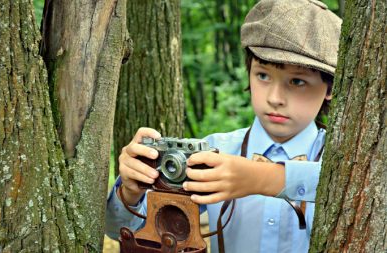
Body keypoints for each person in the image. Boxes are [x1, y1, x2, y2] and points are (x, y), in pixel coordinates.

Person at [105, 0, 342, 252]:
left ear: (329, 88)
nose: (274, 98)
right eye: (263, 75)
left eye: (296, 81)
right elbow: (120, 228)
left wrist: (263, 178)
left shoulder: (346, 161)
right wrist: (130, 193)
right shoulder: (214, 151)